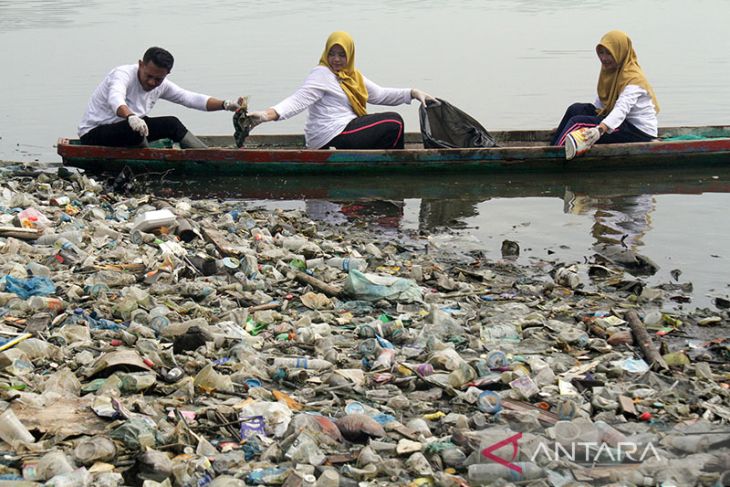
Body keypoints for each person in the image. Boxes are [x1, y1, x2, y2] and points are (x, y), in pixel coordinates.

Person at [247, 31, 435, 150]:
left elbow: (379, 94)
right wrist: (265, 115)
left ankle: (380, 162)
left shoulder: (351, 76)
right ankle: (393, 168)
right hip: (328, 137)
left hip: (344, 129)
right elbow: (297, 101)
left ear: (350, 55)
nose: (336, 59)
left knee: (391, 123)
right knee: (394, 122)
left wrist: (413, 93)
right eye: (332, 54)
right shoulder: (322, 74)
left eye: (342, 54)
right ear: (325, 53)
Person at [78, 46, 244, 148]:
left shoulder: (161, 84)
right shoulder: (123, 74)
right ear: (141, 64)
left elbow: (190, 98)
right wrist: (130, 116)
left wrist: (226, 104)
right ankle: (145, 155)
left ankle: (205, 156)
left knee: (171, 124)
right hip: (94, 133)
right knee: (136, 129)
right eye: (148, 76)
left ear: (167, 74)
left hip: (130, 130)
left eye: (158, 79)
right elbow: (115, 98)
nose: (152, 82)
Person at [551, 30, 660, 148]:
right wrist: (568, 125)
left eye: (609, 53)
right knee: (575, 109)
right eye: (601, 53)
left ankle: (555, 153)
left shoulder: (633, 79)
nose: (604, 58)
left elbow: (621, 109)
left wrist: (600, 129)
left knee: (577, 123)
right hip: (620, 123)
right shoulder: (611, 72)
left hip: (638, 131)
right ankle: (556, 142)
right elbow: (601, 104)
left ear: (620, 52)